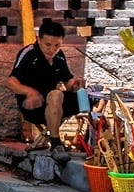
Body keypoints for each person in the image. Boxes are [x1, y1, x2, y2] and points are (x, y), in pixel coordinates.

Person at [8, 19, 83, 156]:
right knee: (56, 94)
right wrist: (30, 92)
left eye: (57, 45)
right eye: (48, 45)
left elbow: (67, 80)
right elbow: (11, 82)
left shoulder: (59, 56)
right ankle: (55, 143)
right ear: (39, 39)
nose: (52, 50)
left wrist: (73, 84)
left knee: (88, 98)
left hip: (54, 104)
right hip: (33, 106)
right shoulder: (29, 54)